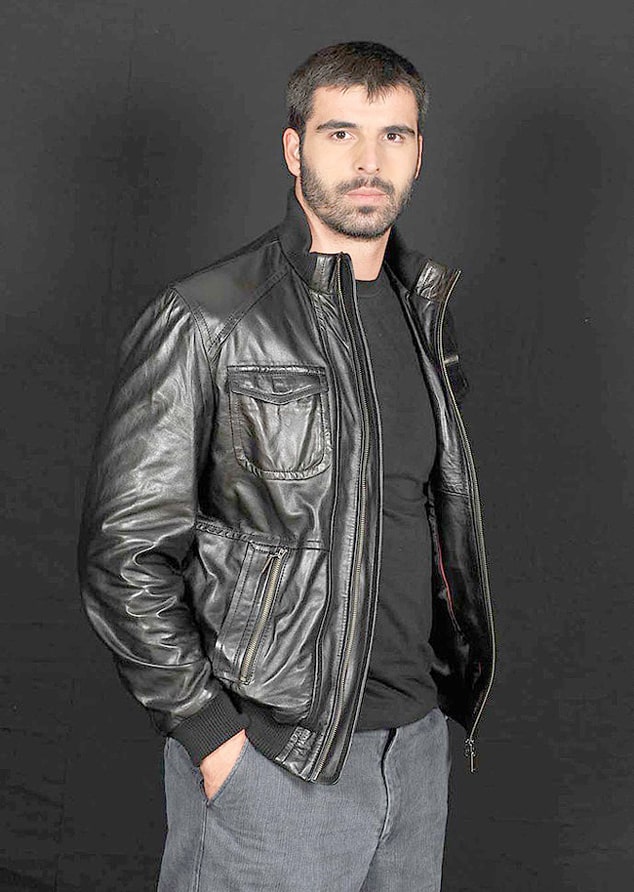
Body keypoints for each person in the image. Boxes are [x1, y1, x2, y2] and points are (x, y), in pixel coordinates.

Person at [79, 41, 495, 892]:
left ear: (419, 152)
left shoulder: (426, 315)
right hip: (275, 760)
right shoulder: (206, 318)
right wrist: (212, 739)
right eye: (341, 133)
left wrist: (429, 726)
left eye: (393, 135)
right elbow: (123, 555)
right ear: (294, 148)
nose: (369, 161)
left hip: (415, 755)